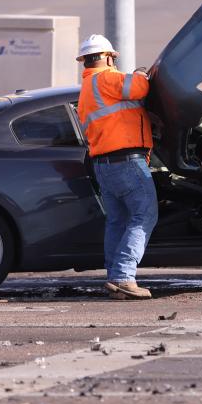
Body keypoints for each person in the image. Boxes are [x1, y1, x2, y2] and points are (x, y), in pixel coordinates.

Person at [76, 34, 157, 300]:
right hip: (126, 162)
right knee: (144, 216)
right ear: (109, 57)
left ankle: (114, 277)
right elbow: (140, 88)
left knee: (118, 221)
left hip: (104, 165)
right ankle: (123, 276)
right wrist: (141, 73)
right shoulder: (106, 79)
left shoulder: (88, 89)